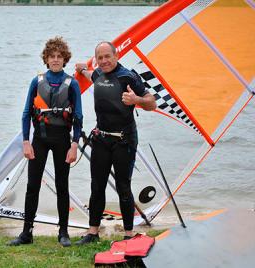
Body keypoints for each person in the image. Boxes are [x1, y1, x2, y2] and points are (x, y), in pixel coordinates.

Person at [75, 41, 156, 245]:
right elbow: (89, 74)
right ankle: (93, 232)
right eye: (100, 58)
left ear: (116, 55)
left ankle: (128, 234)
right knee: (97, 185)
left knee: (123, 186)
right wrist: (81, 68)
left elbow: (152, 102)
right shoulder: (97, 74)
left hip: (124, 140)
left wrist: (136, 99)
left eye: (107, 56)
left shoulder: (127, 76)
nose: (104, 61)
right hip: (101, 139)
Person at [8, 36, 83, 247]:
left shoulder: (72, 83)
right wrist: (26, 141)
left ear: (65, 59)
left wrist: (75, 145)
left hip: (62, 141)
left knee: (62, 186)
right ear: (46, 59)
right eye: (52, 56)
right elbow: (26, 113)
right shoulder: (37, 81)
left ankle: (64, 233)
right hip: (39, 139)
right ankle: (26, 233)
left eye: (60, 56)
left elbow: (78, 116)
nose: (56, 60)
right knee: (32, 186)